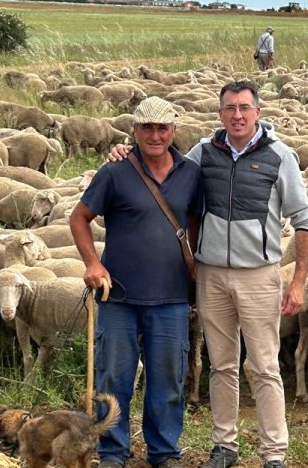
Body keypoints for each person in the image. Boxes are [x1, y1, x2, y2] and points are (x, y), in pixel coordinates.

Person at [109, 80, 308, 468]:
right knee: (221, 365)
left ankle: (274, 453)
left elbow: (304, 220)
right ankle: (224, 446)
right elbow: (162, 170)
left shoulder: (280, 156)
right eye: (230, 108)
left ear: (258, 112)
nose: (237, 115)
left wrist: (299, 280)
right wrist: (125, 152)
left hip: (259, 275)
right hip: (212, 275)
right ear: (220, 113)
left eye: (244, 108)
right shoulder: (204, 152)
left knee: (264, 366)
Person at [71, 96, 202, 468]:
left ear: (174, 131)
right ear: (135, 130)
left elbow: (194, 227)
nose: (155, 135)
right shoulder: (114, 172)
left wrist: (197, 283)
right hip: (119, 296)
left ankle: (164, 452)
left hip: (172, 296)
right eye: (147, 128)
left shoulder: (190, 174)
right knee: (114, 377)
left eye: (162, 128)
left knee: (168, 380)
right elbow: (79, 218)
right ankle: (112, 451)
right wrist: (93, 263)